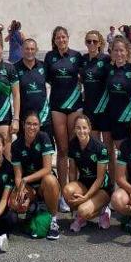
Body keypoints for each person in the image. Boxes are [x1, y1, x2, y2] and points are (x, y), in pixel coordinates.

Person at [44, 26, 82, 212]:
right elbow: (49, 79)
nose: (61, 39)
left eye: (64, 36)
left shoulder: (77, 56)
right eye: (58, 37)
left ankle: (73, 190)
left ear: (68, 38)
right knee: (62, 150)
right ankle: (61, 193)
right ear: (54, 39)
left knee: (74, 150)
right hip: (58, 107)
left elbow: (83, 77)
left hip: (75, 106)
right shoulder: (50, 57)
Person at [10, 110, 61, 240]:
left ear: (39, 126)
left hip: (43, 182)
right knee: (16, 204)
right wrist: (21, 191)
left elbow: (47, 169)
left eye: (35, 124)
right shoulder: (16, 145)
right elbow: (17, 175)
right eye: (28, 124)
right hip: (28, 186)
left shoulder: (44, 137)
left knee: (50, 180)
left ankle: (54, 220)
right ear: (23, 125)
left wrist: (25, 180)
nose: (32, 127)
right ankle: (33, 208)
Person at [64, 115, 113, 232]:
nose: (81, 131)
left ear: (89, 129)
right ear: (74, 129)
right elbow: (72, 172)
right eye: (78, 128)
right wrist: (72, 199)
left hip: (102, 188)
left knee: (83, 210)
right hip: (84, 183)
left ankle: (103, 211)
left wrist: (85, 197)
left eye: (84, 128)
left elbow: (100, 179)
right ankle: (81, 216)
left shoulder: (100, 148)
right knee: (67, 191)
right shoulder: (73, 144)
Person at [79, 31, 115, 175]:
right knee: (94, 148)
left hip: (105, 110)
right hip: (89, 109)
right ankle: (97, 182)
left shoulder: (106, 59)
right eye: (89, 41)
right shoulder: (83, 59)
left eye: (95, 41)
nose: (92, 44)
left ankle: (112, 184)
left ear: (100, 43)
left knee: (108, 149)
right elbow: (81, 79)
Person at [14, 38, 54, 142]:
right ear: (22, 50)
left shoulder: (44, 66)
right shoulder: (15, 68)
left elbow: (56, 83)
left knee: (46, 151)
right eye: (27, 49)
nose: (29, 51)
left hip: (44, 117)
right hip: (24, 119)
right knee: (26, 152)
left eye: (32, 49)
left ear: (36, 50)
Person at [105, 36, 131, 149]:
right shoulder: (107, 69)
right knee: (122, 152)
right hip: (115, 117)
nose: (119, 53)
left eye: (121, 50)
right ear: (112, 52)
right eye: (116, 50)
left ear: (127, 51)